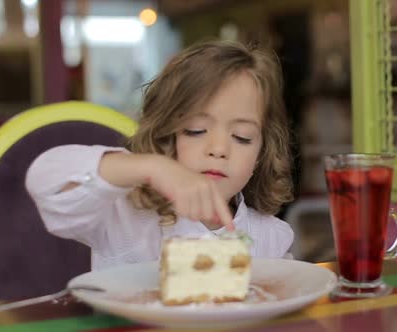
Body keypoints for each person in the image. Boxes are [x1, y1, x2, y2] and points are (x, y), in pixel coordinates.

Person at [25, 40, 295, 270]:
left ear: (261, 152)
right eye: (196, 130)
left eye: (241, 137)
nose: (219, 149)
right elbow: (47, 184)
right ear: (166, 136)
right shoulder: (122, 217)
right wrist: (152, 168)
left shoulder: (271, 238)